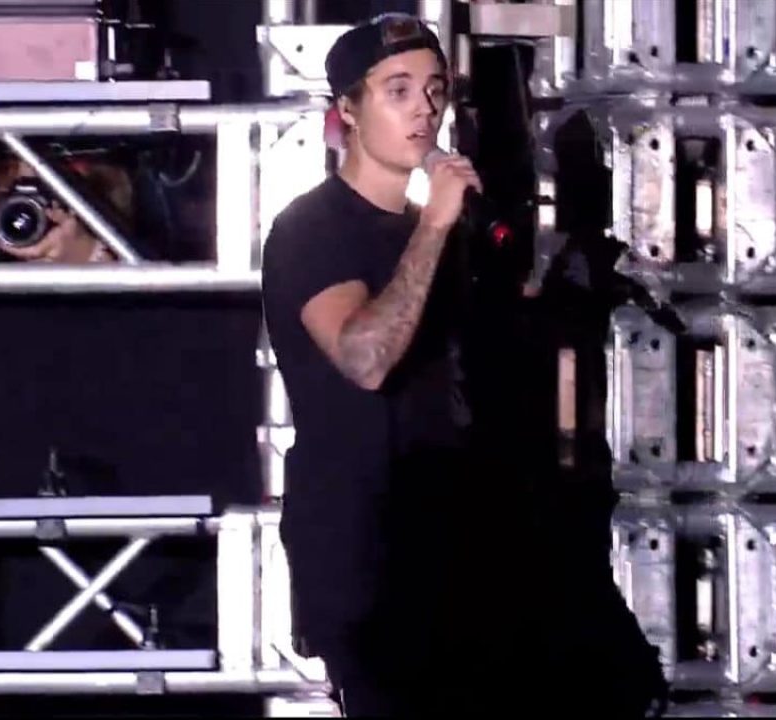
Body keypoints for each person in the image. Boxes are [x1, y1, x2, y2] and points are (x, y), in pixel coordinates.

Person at [259, 12, 500, 716]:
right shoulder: (312, 228)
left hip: (451, 538)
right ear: (349, 110)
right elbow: (365, 358)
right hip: (363, 548)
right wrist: (435, 224)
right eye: (397, 90)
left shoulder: (438, 234)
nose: (424, 108)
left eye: (434, 90)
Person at [0, 155, 132, 264]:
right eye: (7, 167)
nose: (29, 206)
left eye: (57, 166)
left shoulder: (132, 251)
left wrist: (87, 255)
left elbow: (136, 309)